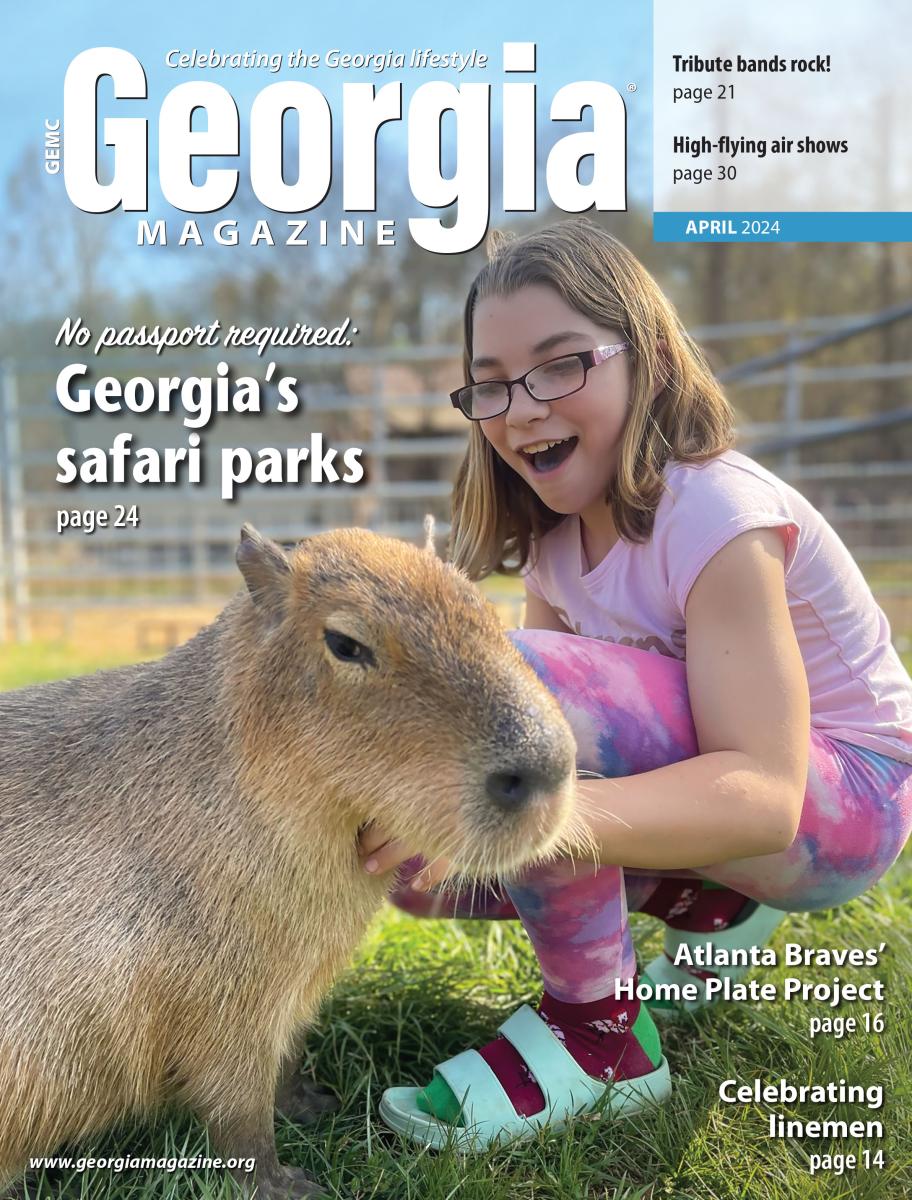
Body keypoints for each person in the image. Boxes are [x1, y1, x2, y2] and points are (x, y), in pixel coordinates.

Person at [357, 219, 912, 1150]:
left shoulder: (716, 514)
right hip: (734, 818)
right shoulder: (551, 540)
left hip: (849, 801)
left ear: (646, 355)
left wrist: (535, 814)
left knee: (516, 729)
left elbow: (769, 798)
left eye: (562, 363)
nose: (522, 408)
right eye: (491, 383)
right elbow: (533, 750)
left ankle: (602, 1042)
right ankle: (711, 904)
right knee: (421, 862)